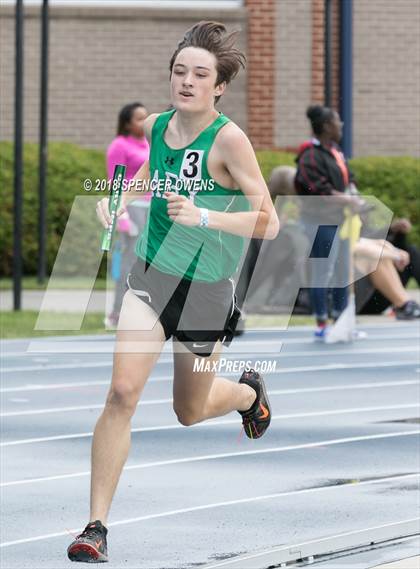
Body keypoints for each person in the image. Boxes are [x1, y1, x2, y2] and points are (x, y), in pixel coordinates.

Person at [67, 21, 279, 563]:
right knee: (121, 394)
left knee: (190, 409)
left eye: (199, 74)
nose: (187, 81)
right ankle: (96, 527)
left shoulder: (229, 139)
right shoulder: (158, 126)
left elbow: (268, 221)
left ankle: (249, 394)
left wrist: (206, 214)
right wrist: (118, 199)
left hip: (207, 287)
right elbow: (150, 177)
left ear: (218, 87)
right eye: (179, 71)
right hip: (153, 276)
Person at [295, 105, 366, 340]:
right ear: (326, 126)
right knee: (322, 272)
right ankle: (322, 323)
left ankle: (341, 322)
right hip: (319, 223)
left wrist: (353, 193)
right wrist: (345, 199)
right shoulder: (310, 155)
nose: (341, 125)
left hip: (340, 221)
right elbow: (315, 188)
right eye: (337, 121)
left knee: (342, 272)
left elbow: (349, 177)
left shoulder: (335, 151)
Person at [105, 102, 150, 328]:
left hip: (153, 208)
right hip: (133, 209)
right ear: (127, 123)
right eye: (139, 118)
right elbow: (116, 182)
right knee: (130, 263)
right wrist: (121, 217)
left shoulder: (152, 144)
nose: (145, 122)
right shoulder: (119, 146)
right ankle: (117, 312)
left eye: (146, 117)